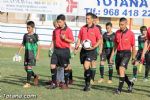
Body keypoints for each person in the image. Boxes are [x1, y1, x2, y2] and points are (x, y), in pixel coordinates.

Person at [75, 12, 102, 91]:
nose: (87, 20)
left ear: (92, 19)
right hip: (83, 50)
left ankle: (88, 84)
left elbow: (99, 40)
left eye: (88, 18)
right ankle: (88, 82)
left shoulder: (96, 29)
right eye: (86, 18)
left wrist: (94, 46)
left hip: (92, 51)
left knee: (87, 66)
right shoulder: (83, 28)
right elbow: (79, 38)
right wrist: (77, 45)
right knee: (85, 68)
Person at [110, 17, 136, 94]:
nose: (120, 26)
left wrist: (133, 58)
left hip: (127, 53)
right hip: (118, 53)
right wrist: (112, 56)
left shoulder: (131, 33)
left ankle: (119, 90)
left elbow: (133, 47)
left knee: (121, 69)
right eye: (119, 24)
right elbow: (115, 45)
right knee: (120, 72)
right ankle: (130, 83)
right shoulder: (117, 32)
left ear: (126, 24)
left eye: (122, 24)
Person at [49, 14, 74, 89]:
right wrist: (51, 49)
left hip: (64, 51)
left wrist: (65, 39)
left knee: (66, 67)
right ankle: (54, 83)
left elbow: (72, 41)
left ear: (64, 21)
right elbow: (53, 40)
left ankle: (66, 84)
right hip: (56, 50)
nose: (58, 24)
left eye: (60, 22)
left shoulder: (68, 30)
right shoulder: (55, 30)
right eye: (58, 22)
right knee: (52, 65)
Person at [17, 21, 40, 88]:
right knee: (26, 68)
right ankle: (35, 76)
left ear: (33, 28)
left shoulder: (35, 36)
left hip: (32, 54)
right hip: (26, 54)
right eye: (27, 27)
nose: (27, 29)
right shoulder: (25, 35)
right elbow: (23, 44)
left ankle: (28, 83)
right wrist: (18, 52)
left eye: (29, 28)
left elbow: (39, 46)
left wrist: (38, 55)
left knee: (29, 67)